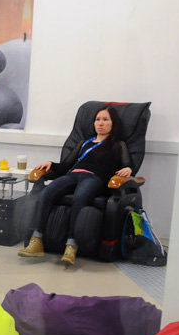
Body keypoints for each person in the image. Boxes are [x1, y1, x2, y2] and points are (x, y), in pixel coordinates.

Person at [18, 105, 133, 266]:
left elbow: (127, 165)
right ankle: (36, 241)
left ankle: (71, 246)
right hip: (73, 175)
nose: (100, 123)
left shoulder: (118, 145)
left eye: (105, 119)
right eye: (97, 119)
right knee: (47, 193)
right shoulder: (84, 143)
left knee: (80, 197)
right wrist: (51, 164)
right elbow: (65, 165)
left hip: (94, 178)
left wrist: (128, 169)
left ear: (113, 123)